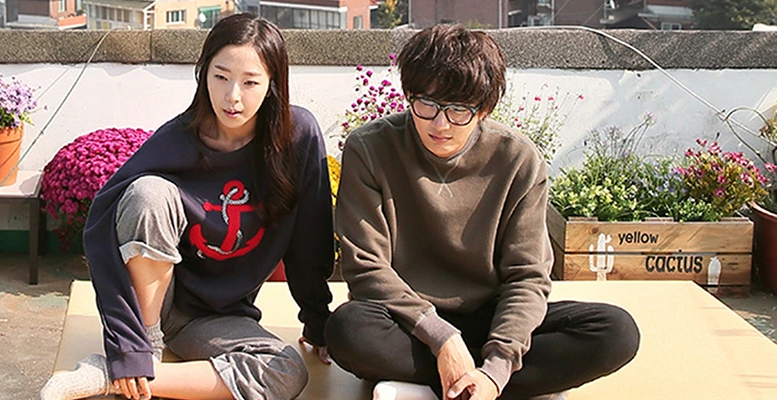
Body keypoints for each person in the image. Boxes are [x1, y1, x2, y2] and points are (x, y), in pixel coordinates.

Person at [323, 24, 640, 400]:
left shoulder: (518, 159)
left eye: (459, 109)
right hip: (408, 322)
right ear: (408, 95)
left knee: (616, 331)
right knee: (348, 329)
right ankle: (482, 383)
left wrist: (498, 365)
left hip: (491, 316)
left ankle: (464, 385)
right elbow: (366, 269)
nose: (440, 123)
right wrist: (443, 339)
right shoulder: (370, 148)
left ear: (485, 109)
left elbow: (527, 276)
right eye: (426, 104)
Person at [40, 13, 334, 400]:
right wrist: (128, 345)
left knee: (286, 371)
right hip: (156, 308)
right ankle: (144, 352)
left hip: (220, 319)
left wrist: (316, 319)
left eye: (250, 82)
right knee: (148, 193)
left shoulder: (297, 138)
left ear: (272, 84)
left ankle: (118, 377)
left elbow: (311, 236)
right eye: (221, 76)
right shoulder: (175, 141)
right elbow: (101, 222)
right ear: (203, 73)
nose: (232, 96)